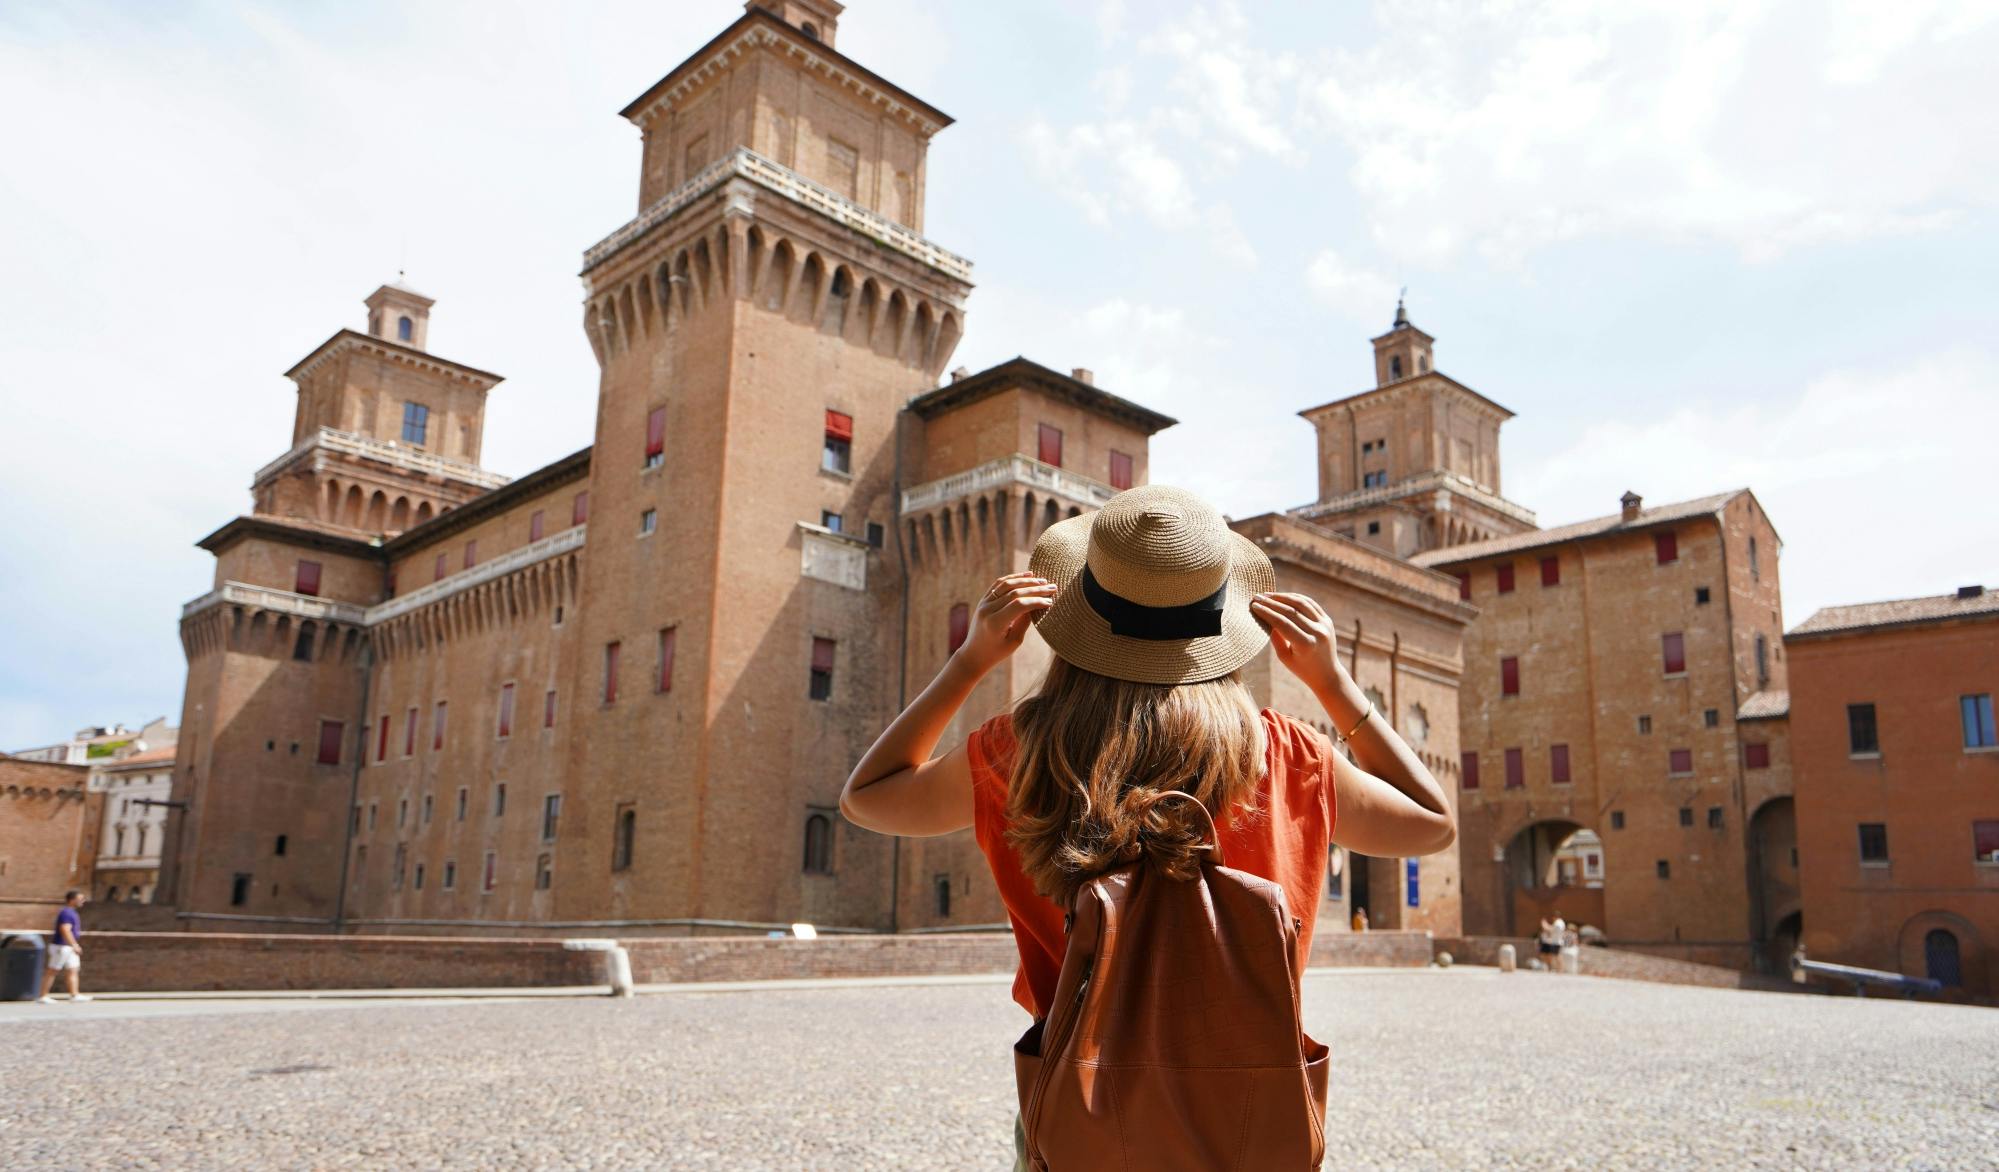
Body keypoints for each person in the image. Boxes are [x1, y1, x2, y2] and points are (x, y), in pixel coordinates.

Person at [840, 485, 1456, 1167]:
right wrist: (1334, 684)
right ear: (1218, 624)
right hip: (1249, 1106)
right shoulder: (1284, 753)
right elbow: (1431, 824)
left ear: (1079, 612)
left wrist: (970, 660)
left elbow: (868, 797)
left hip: (1078, 1102)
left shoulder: (1020, 750)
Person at [39, 889, 93, 1004]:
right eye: (80, 898)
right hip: (61, 946)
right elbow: (65, 929)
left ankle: (74, 994)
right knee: (52, 970)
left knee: (73, 970)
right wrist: (74, 944)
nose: (83, 901)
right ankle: (43, 996)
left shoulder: (71, 912)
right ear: (72, 900)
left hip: (68, 947)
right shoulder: (67, 912)